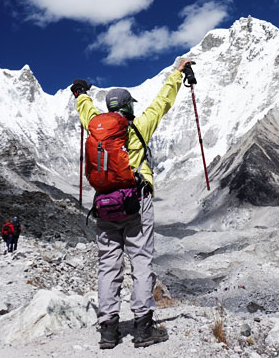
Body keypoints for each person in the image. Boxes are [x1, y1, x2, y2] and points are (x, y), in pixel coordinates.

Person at [71, 58, 190, 350]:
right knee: (141, 261)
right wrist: (177, 74)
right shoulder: (138, 127)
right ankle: (143, 328)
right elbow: (162, 102)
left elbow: (85, 109)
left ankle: (108, 331)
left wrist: (80, 92)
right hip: (136, 202)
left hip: (105, 204)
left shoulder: (95, 126)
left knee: (108, 266)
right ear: (128, 108)